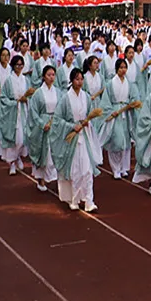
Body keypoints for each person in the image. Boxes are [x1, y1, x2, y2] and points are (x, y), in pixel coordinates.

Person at [49, 68, 102, 212]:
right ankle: (74, 199)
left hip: (84, 137)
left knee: (87, 169)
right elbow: (58, 120)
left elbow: (91, 116)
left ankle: (89, 200)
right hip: (71, 139)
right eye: (77, 79)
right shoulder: (66, 98)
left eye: (81, 79)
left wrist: (86, 124)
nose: (79, 82)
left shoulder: (86, 97)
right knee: (74, 170)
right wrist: (72, 126)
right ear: (72, 81)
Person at [99, 59, 139, 180]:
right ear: (117, 69)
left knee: (126, 141)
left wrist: (132, 105)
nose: (123, 70)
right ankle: (115, 168)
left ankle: (123, 167)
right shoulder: (111, 84)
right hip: (115, 113)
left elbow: (134, 97)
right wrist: (111, 111)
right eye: (120, 67)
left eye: (124, 67)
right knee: (116, 140)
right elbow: (106, 101)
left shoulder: (130, 84)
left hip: (126, 114)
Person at [0, 55, 35, 176]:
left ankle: (18, 157)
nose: (19, 67)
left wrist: (26, 100)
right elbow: (3, 98)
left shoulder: (26, 80)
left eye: (21, 65)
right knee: (16, 138)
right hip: (13, 112)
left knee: (23, 139)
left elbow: (31, 96)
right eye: (17, 65)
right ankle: (12, 162)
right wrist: (16, 102)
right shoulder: (9, 81)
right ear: (13, 66)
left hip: (24, 112)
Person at [27, 65, 59, 192]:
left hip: (54, 123)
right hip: (43, 125)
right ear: (43, 77)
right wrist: (41, 124)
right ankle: (41, 178)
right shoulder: (38, 94)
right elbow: (33, 112)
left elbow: (61, 108)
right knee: (43, 152)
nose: (51, 78)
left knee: (53, 151)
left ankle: (52, 177)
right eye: (49, 75)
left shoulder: (58, 92)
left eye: (53, 75)